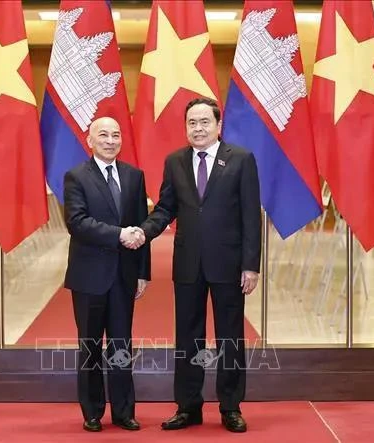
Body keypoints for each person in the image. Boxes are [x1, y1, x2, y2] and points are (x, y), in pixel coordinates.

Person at [140, 97, 261, 433]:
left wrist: (251, 265)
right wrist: (143, 233)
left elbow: (251, 216)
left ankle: (231, 406)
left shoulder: (241, 160)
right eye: (192, 123)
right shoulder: (175, 161)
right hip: (188, 264)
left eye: (204, 122)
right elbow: (165, 209)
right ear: (186, 127)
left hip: (229, 263)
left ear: (218, 125)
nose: (198, 128)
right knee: (188, 338)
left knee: (230, 338)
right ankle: (188, 406)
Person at [63, 116, 150, 432]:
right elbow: (76, 222)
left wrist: (143, 272)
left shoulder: (134, 176)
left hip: (124, 276)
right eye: (103, 135)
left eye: (116, 135)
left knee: (121, 345)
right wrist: (118, 234)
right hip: (88, 277)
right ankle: (92, 411)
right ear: (90, 140)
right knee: (89, 345)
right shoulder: (76, 177)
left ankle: (124, 411)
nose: (110, 140)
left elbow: (142, 225)